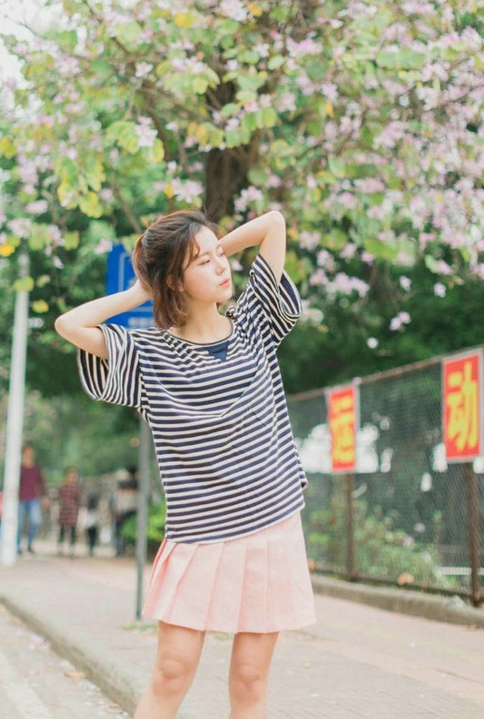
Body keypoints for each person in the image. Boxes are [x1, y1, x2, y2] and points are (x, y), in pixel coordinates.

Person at [55, 209, 315, 719]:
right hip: (199, 533)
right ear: (174, 279)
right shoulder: (147, 355)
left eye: (222, 255)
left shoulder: (254, 323)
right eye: (204, 261)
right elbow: (70, 325)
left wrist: (212, 247)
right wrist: (143, 289)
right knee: (172, 671)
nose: (222, 267)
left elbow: (275, 223)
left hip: (270, 526)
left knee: (249, 678)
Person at [18, 442, 48, 555]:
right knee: (19, 523)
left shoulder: (37, 468)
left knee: (36, 521)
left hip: (33, 498)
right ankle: (18, 545)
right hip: (20, 498)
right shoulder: (19, 467)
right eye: (27, 451)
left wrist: (44, 497)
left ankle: (30, 544)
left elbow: (42, 483)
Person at [57, 467, 81, 556]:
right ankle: (60, 547)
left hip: (73, 510)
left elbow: (79, 499)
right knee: (62, 529)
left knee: (72, 529)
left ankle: (72, 548)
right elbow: (58, 497)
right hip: (64, 509)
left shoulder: (77, 488)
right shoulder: (63, 487)